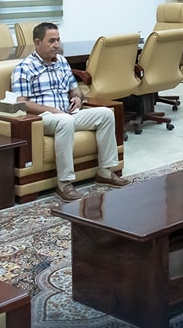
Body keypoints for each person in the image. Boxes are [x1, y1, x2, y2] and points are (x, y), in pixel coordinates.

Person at [11, 22, 130, 202]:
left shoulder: (62, 62)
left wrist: (77, 98)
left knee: (105, 114)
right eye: (51, 41)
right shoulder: (24, 67)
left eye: (58, 40)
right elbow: (21, 103)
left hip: (67, 113)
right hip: (42, 118)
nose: (56, 45)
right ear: (37, 43)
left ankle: (105, 172)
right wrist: (53, 111)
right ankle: (64, 183)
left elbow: (75, 89)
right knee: (64, 121)